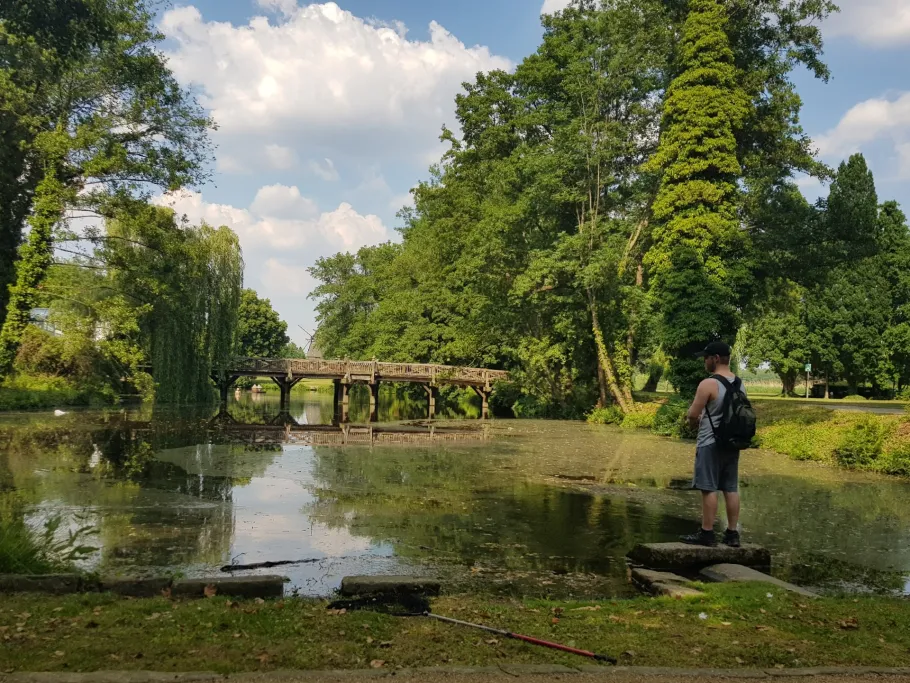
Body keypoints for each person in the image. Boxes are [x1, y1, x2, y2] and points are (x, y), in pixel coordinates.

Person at [681, 341, 742, 548]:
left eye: (706, 358)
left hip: (710, 443)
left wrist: (692, 423)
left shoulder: (708, 384)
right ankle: (732, 534)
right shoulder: (739, 383)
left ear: (716, 358)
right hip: (732, 444)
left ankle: (707, 533)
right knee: (730, 488)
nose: (704, 361)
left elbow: (692, 414)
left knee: (709, 488)